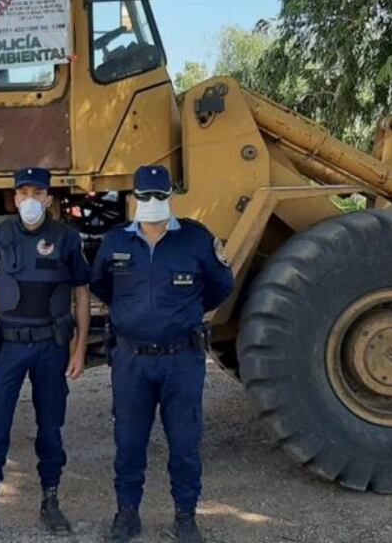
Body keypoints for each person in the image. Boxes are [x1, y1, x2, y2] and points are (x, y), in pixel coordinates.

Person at [91, 165, 234, 543]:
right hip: (131, 361)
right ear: (134, 198)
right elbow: (102, 286)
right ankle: (127, 514)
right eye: (145, 195)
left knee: (185, 444)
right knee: (129, 443)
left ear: (171, 195)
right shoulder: (115, 242)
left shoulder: (196, 240)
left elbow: (221, 286)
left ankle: (186, 517)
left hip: (181, 360)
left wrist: (181, 315)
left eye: (159, 194)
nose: (152, 201)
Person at [0, 167, 91, 542]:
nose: (29, 200)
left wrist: (80, 348)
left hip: (51, 346)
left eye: (37, 193)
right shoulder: (0, 235)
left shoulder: (66, 238)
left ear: (48, 198)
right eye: (23, 193)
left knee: (50, 429)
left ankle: (51, 502)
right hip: (9, 346)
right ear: (14, 198)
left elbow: (81, 293)